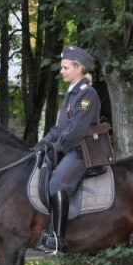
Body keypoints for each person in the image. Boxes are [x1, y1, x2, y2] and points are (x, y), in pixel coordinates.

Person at [33, 45, 101, 253]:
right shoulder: (71, 95)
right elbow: (59, 127)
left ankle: (57, 238)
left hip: (81, 151)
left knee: (57, 184)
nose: (61, 71)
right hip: (68, 148)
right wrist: (43, 143)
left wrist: (56, 147)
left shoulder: (87, 95)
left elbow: (76, 130)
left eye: (65, 68)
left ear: (78, 68)